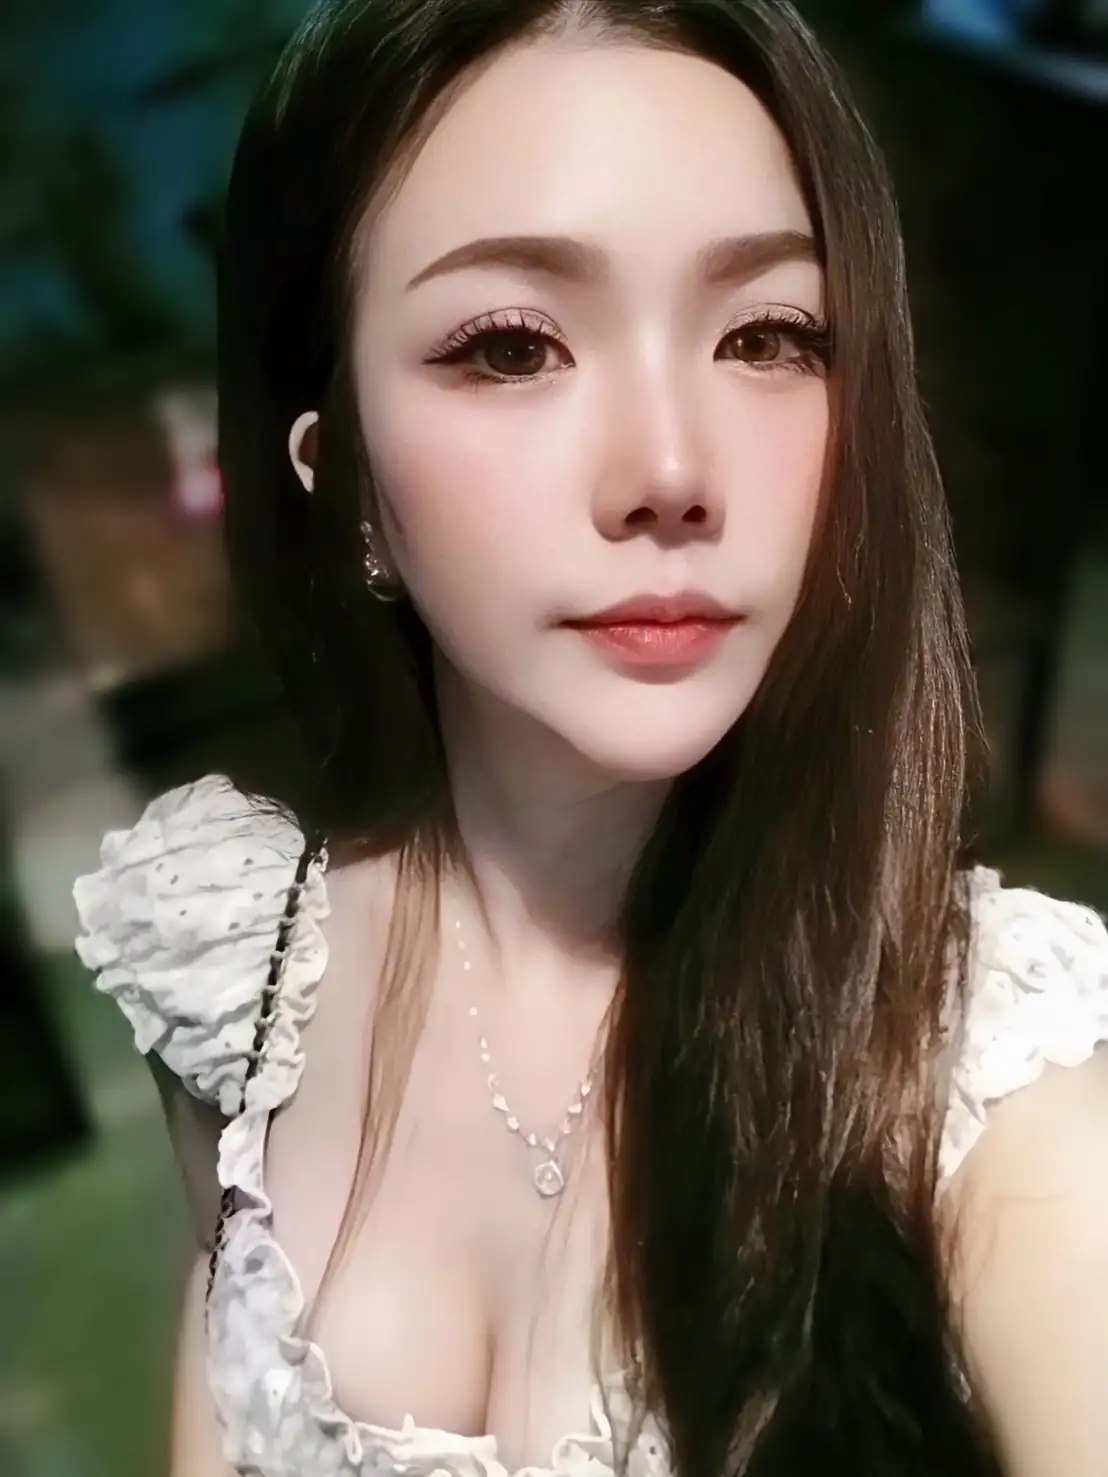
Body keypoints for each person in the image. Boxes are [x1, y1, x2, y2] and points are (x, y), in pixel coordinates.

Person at [73, 2, 1108, 1474]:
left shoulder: (989, 1093)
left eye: (768, 335)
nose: (672, 469)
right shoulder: (239, 972)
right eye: (511, 346)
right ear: (341, 471)